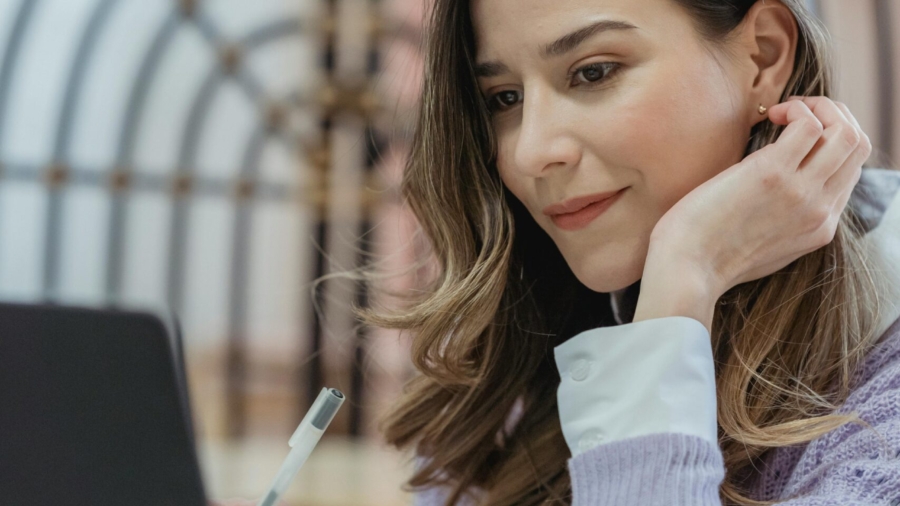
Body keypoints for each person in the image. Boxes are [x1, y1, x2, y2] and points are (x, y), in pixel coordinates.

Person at [212, 0, 900, 505]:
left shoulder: (883, 398)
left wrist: (682, 283)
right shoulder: (527, 354)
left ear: (764, 57)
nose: (530, 151)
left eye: (593, 72)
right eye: (503, 97)